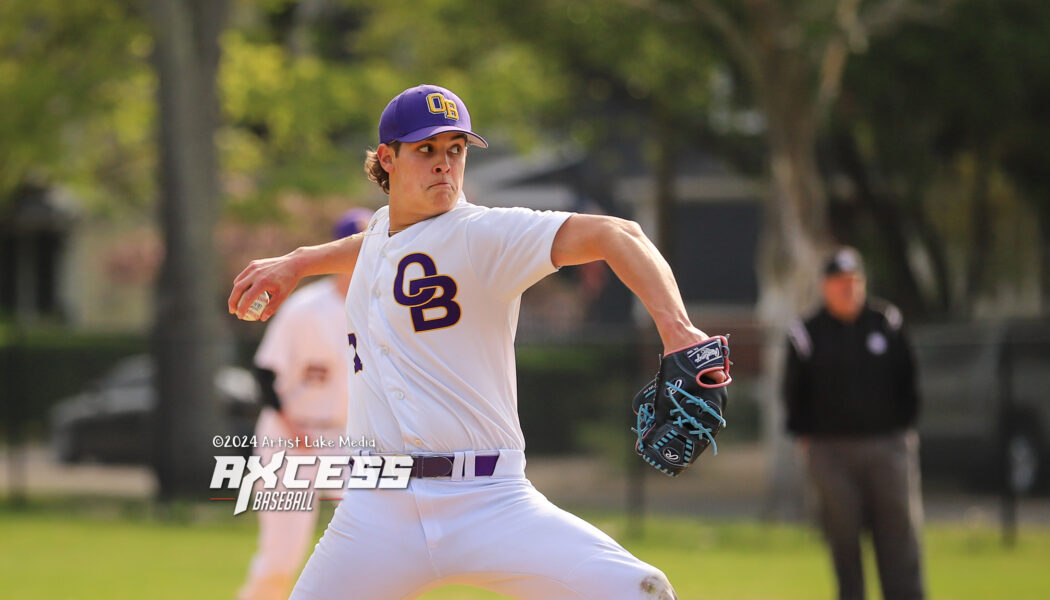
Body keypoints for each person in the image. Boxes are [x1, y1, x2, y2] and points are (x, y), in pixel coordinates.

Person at [229, 84, 724, 599]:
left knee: (641, 591)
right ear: (387, 159)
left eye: (456, 149)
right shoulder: (381, 234)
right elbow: (375, 242)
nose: (444, 163)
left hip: (489, 501)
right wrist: (299, 262)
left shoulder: (483, 235)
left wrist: (679, 331)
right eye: (426, 149)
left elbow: (618, 234)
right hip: (377, 510)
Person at [236, 209, 373, 600]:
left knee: (372, 542)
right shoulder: (305, 308)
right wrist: (292, 428)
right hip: (288, 438)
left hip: (344, 440)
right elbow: (265, 374)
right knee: (280, 558)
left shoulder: (379, 308)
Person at [782, 247, 925, 600]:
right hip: (830, 451)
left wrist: (904, 429)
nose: (847, 288)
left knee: (898, 531)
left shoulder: (886, 322)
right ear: (825, 286)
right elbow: (792, 391)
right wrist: (806, 437)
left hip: (886, 445)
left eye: (853, 280)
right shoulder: (807, 333)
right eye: (839, 281)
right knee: (842, 534)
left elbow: (909, 379)